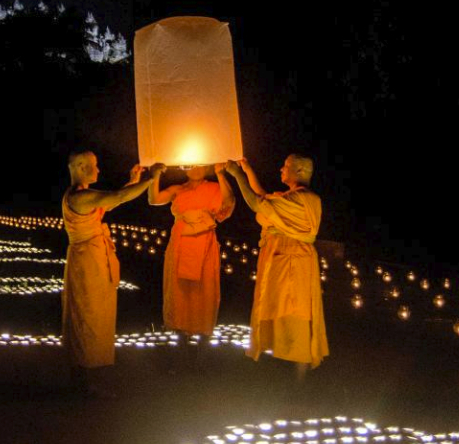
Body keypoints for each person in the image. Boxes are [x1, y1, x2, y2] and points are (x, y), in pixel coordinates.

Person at [224, 155, 329, 380]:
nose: (281, 168)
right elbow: (262, 196)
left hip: (293, 260)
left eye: (286, 166)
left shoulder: (303, 199)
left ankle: (298, 374)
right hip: (284, 257)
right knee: (278, 309)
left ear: (299, 170)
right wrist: (247, 168)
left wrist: (237, 175)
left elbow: (256, 203)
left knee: (294, 312)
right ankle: (282, 370)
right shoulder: (290, 197)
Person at [62, 151, 154, 397]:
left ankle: (84, 379)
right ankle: (84, 381)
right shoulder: (79, 197)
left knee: (94, 316)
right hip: (86, 264)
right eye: (95, 166)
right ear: (81, 167)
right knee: (86, 318)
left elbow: (113, 201)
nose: (99, 170)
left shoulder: (84, 196)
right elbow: (117, 197)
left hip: (92, 260)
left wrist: (135, 180)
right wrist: (151, 179)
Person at [148, 163, 235, 350]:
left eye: (201, 166)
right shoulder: (178, 189)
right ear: (184, 168)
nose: (196, 169)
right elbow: (154, 199)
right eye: (192, 166)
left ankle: (203, 342)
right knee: (180, 289)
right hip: (181, 242)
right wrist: (154, 175)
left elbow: (229, 203)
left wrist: (221, 173)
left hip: (204, 243)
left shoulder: (214, 187)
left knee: (205, 288)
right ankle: (180, 340)